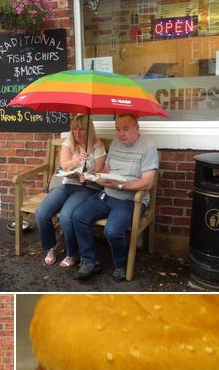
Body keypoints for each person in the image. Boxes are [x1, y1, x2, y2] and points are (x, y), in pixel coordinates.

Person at [72, 113, 159, 282]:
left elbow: (148, 183)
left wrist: (121, 185)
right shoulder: (116, 144)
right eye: (118, 129)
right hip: (107, 194)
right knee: (78, 216)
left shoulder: (148, 147)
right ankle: (90, 260)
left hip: (130, 200)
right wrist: (93, 175)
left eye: (125, 129)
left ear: (137, 128)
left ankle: (120, 264)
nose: (120, 134)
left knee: (111, 231)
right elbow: (107, 168)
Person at [33, 115, 106, 267]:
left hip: (87, 187)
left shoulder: (97, 145)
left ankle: (72, 253)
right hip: (67, 183)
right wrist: (78, 160)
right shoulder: (69, 143)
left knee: (66, 216)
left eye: (81, 129)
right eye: (74, 129)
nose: (77, 133)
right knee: (41, 212)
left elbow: (100, 172)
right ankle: (50, 247)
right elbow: (65, 166)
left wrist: (86, 176)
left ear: (89, 130)